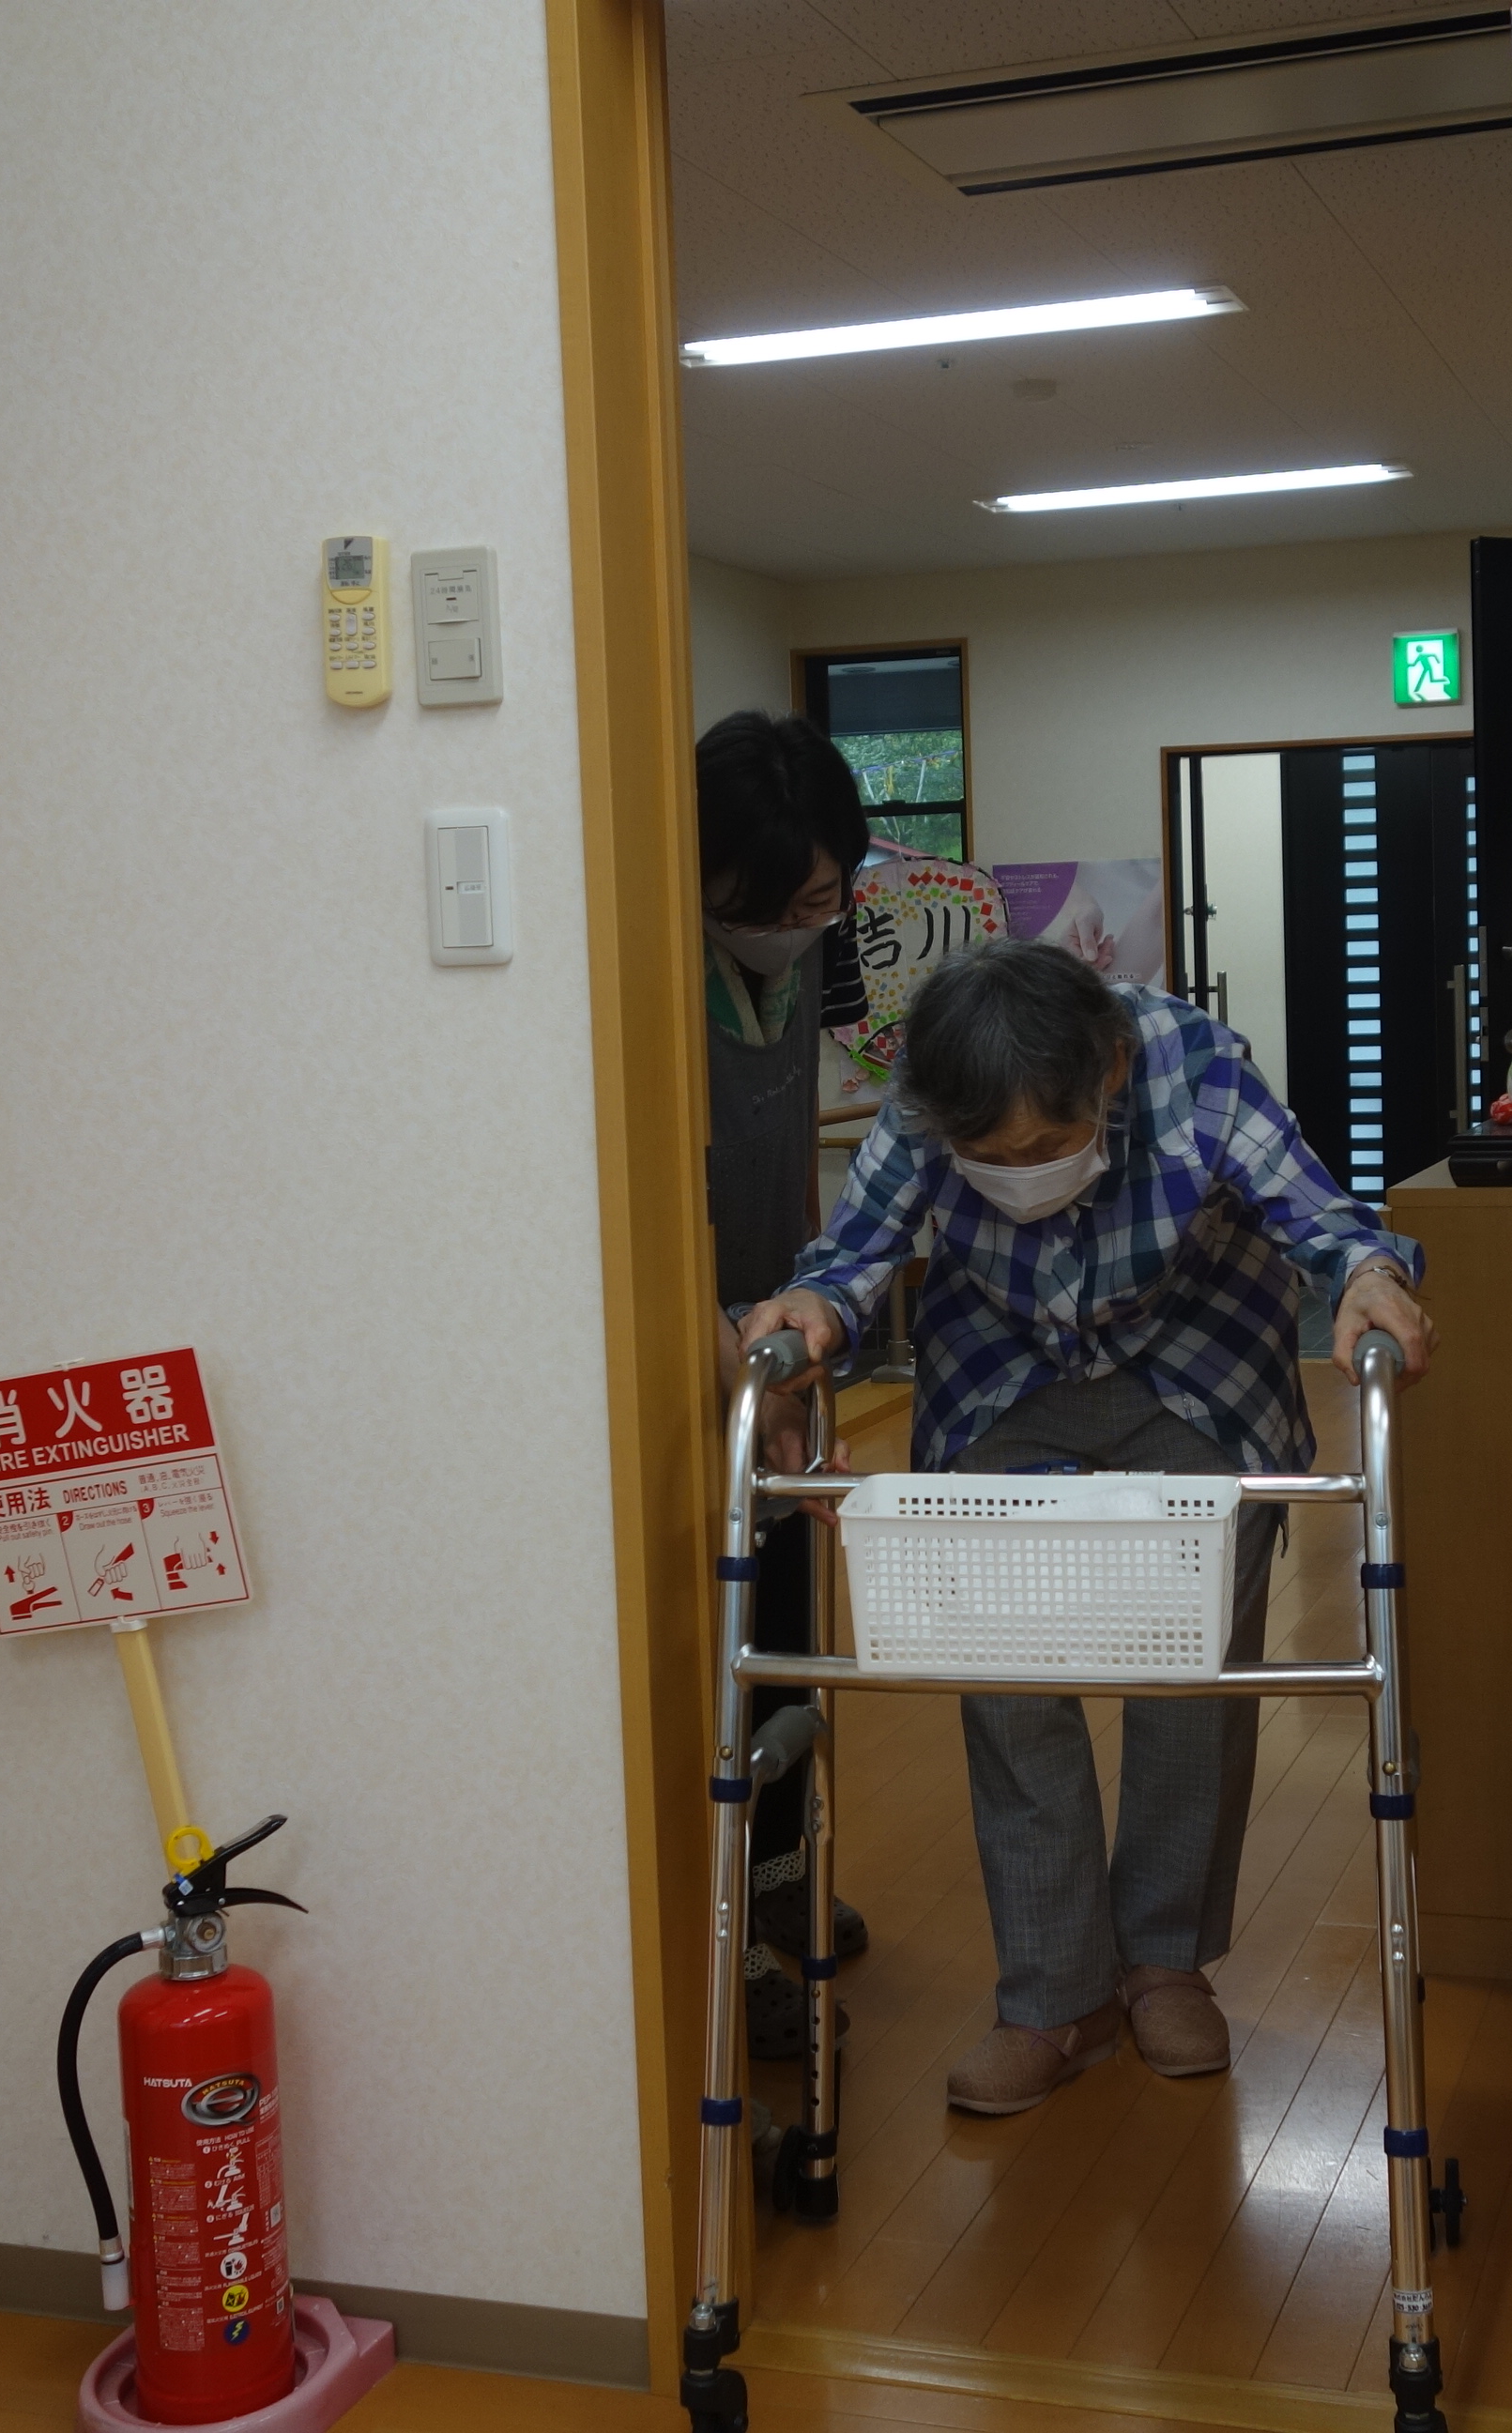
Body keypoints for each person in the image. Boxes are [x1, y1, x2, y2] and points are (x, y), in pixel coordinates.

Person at [734, 941, 1435, 2114]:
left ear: (1109, 1070)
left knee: (1189, 1676)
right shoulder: (933, 1086)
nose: (1022, 1173)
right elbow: (858, 1252)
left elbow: (1320, 1217)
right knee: (1008, 1684)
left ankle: (1165, 1964)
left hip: (1198, 1364)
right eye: (992, 1159)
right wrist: (812, 1309)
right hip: (1001, 1371)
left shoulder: (1193, 1066)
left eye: (1048, 1145)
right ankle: (1055, 1998)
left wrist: (1368, 1276)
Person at [693, 710, 874, 2059]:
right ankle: (731, 1940)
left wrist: (810, 1332)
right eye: (784, 905)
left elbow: (796, 1151)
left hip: (774, 1331)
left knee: (794, 1634)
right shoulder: (651, 968)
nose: (808, 927)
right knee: (717, 1651)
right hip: (686, 1343)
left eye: (827, 899)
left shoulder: (805, 963)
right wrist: (738, 1375)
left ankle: (789, 1883)